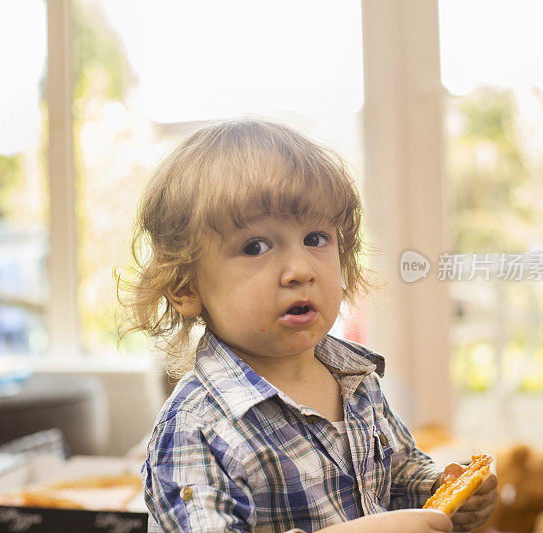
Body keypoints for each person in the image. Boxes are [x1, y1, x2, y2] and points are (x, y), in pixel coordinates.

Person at [118, 119, 498, 532]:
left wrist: (439, 489)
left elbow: (398, 473)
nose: (300, 270)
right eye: (256, 246)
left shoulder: (356, 380)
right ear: (185, 287)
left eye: (316, 239)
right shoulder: (196, 429)